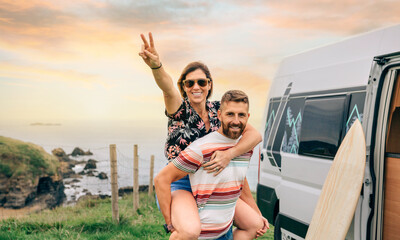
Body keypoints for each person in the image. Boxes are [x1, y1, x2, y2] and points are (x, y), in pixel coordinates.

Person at [139, 32, 268, 239]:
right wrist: (156, 65)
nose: (196, 87)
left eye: (201, 82)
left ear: (209, 85)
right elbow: (167, 87)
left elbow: (254, 136)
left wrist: (229, 154)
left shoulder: (220, 110)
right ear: (184, 87)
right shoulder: (179, 109)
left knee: (241, 226)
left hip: (213, 180)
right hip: (182, 182)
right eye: (189, 83)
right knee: (190, 231)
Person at [155, 90, 268, 239]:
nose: (236, 120)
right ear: (219, 115)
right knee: (188, 231)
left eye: (241, 115)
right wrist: (170, 224)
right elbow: (161, 179)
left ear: (248, 117)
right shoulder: (201, 149)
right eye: (230, 114)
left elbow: (239, 182)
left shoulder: (245, 148)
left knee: (254, 225)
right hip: (197, 235)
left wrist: (256, 213)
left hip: (222, 229)